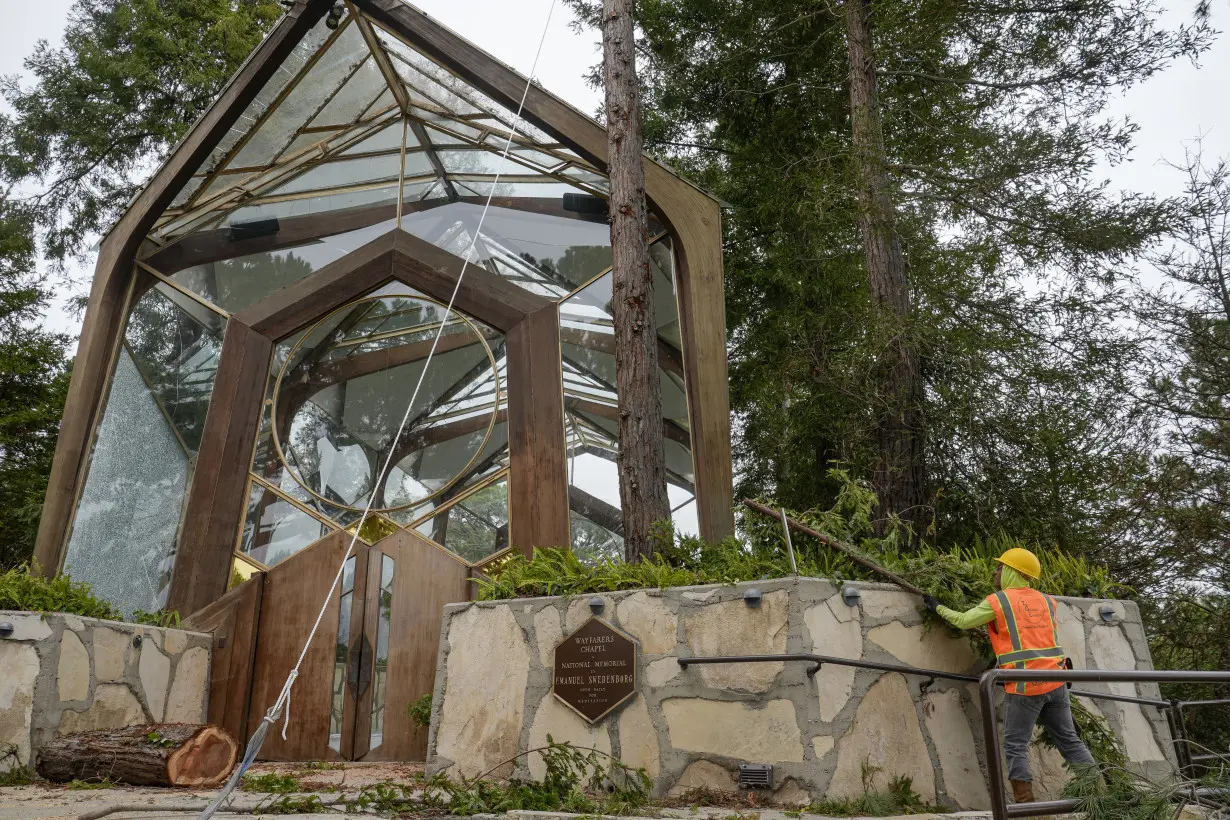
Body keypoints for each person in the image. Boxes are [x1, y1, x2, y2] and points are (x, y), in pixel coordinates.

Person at [921, 547, 1095, 804]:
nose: (996, 571)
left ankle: (1025, 805)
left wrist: (937, 608)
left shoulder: (999, 601)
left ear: (1013, 571)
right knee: (1069, 740)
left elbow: (963, 620)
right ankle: (1100, 793)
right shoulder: (1048, 600)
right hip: (1057, 681)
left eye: (1001, 567)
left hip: (1026, 686)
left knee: (1016, 745)